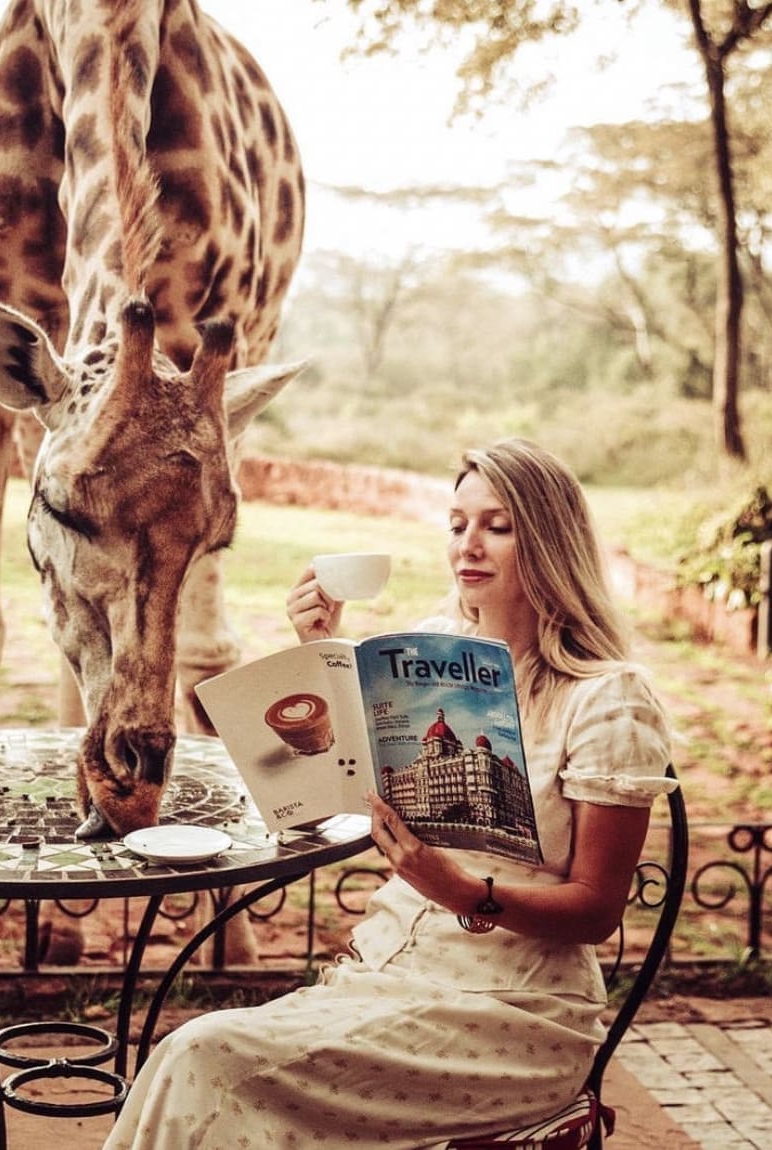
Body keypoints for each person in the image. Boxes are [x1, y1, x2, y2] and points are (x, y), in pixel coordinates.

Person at [102, 437, 675, 1149]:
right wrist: (321, 652)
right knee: (193, 1057)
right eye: (458, 523)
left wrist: (464, 891)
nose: (469, 545)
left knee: (206, 1057)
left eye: (497, 526)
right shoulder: (428, 655)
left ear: (551, 540)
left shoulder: (606, 700)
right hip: (387, 975)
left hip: (516, 1013)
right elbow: (322, 794)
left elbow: (596, 910)